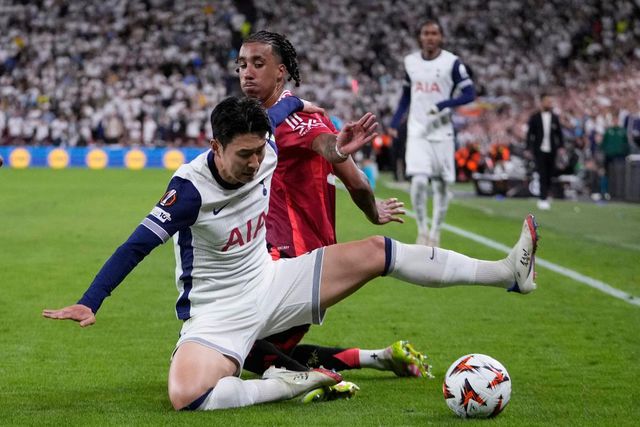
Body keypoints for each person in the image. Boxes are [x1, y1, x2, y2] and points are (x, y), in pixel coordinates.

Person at [43, 96, 539, 412]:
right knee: (185, 396)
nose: (254, 162)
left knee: (376, 251)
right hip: (218, 311)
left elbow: (286, 110)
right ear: (215, 146)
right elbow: (136, 244)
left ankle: (506, 272)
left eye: (259, 151)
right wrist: (92, 300)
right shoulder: (190, 191)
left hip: (273, 280)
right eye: (243, 155)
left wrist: (323, 128)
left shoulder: (267, 148)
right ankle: (292, 384)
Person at [236, 30, 427, 392]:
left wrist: (337, 150)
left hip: (290, 258)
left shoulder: (296, 120)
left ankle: (321, 383)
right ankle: (381, 357)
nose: (247, 72)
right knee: (263, 349)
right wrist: (372, 211)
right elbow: (356, 181)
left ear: (281, 72)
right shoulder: (269, 118)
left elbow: (329, 148)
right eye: (242, 64)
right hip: (307, 259)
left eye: (258, 63)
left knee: (231, 342)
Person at [389, 19, 476, 247]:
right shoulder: (410, 62)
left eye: (434, 33)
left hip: (442, 131)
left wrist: (443, 104)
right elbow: (406, 95)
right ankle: (422, 229)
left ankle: (436, 232)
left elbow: (470, 93)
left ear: (441, 37)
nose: (430, 37)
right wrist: (395, 121)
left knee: (441, 185)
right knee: (418, 181)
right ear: (420, 37)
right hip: (417, 130)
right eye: (426, 33)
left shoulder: (452, 62)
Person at [526, 93, 565, 210]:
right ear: (542, 102)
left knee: (550, 174)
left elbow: (559, 133)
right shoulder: (535, 117)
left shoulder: (554, 117)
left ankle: (546, 195)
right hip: (539, 150)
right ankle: (542, 198)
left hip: (552, 150)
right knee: (542, 173)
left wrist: (561, 147)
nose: (550, 104)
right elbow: (530, 134)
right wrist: (528, 148)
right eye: (548, 101)